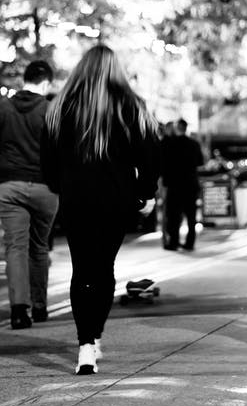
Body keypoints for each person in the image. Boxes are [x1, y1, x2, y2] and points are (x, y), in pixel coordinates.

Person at [42, 45, 160, 375]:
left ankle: (84, 345)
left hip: (75, 198)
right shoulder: (132, 105)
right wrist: (145, 193)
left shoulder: (59, 107)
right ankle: (95, 338)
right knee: (104, 266)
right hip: (115, 198)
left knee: (82, 269)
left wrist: (59, 186)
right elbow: (150, 155)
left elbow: (47, 160)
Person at [0, 60, 59, 329]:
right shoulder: (51, 110)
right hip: (44, 188)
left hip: (9, 186)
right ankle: (40, 306)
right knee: (39, 246)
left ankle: (19, 310)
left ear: (24, 79)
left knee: (15, 247)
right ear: (46, 83)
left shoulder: (1, 108)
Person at [159, 118, 203, 251]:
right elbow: (200, 162)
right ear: (185, 128)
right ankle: (190, 242)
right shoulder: (194, 144)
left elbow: (162, 160)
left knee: (173, 215)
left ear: (176, 127)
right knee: (191, 216)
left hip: (174, 185)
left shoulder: (170, 143)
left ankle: (174, 242)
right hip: (190, 184)